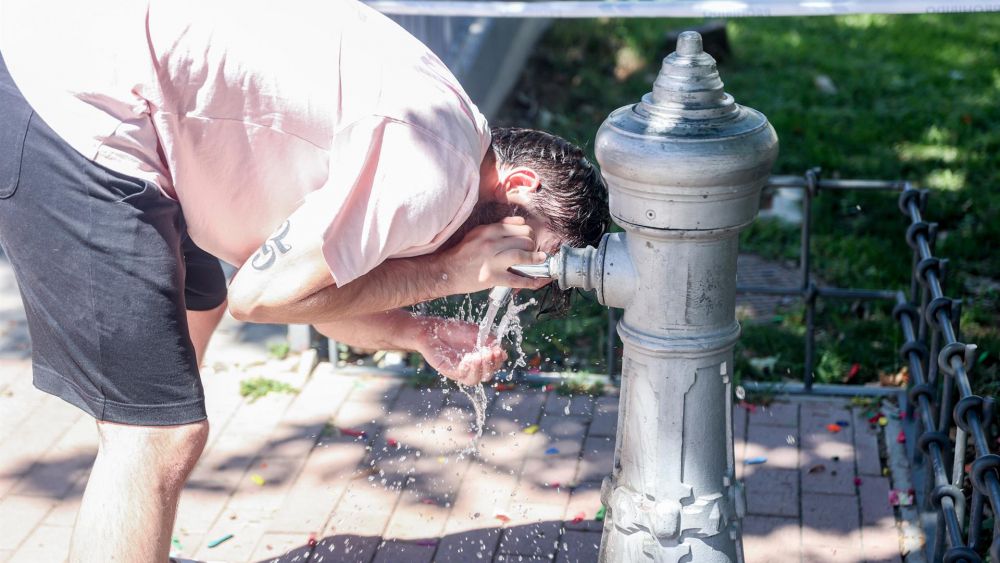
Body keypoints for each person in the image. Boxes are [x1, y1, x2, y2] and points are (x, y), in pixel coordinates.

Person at [0, 0, 609, 560]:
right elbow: (260, 299)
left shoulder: (452, 134)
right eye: (527, 251)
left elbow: (313, 292)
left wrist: (414, 331)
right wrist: (447, 272)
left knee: (195, 307)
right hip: (78, 94)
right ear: (521, 185)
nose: (503, 272)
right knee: (157, 436)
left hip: (121, 73)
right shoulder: (433, 176)